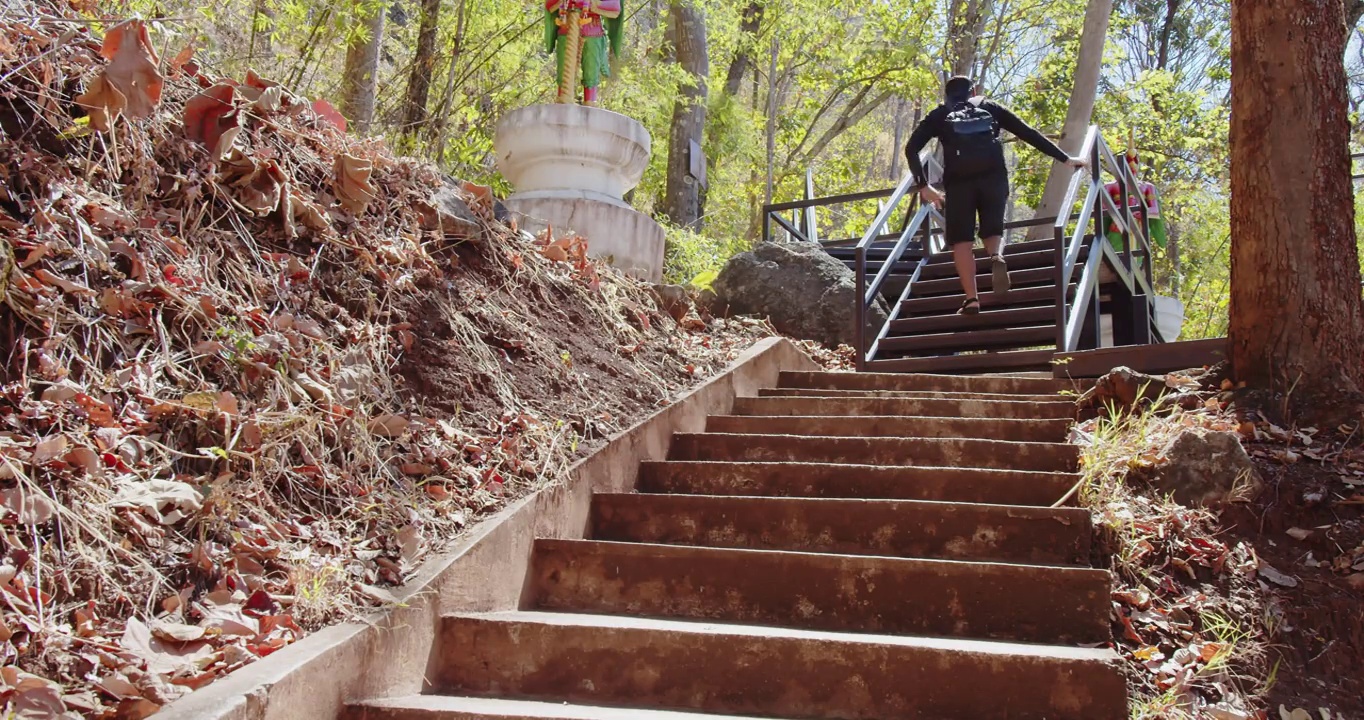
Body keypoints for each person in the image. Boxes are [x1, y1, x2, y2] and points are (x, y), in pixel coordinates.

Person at [906, 76, 1088, 315]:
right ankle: (996, 257)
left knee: (962, 241)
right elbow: (1028, 133)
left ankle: (971, 299)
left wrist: (924, 186)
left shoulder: (940, 115)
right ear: (974, 91)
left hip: (959, 184)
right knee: (992, 230)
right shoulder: (989, 107)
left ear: (947, 95)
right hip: (993, 178)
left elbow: (911, 148)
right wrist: (1066, 159)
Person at [1104, 148, 1166, 266]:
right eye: (1128, 160)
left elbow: (1155, 212)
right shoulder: (1110, 186)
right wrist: (1122, 210)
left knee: (1136, 261)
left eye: (1134, 160)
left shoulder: (1148, 187)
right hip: (1117, 226)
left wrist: (1138, 212)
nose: (1131, 163)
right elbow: (1104, 211)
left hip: (1139, 228)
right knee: (1115, 260)